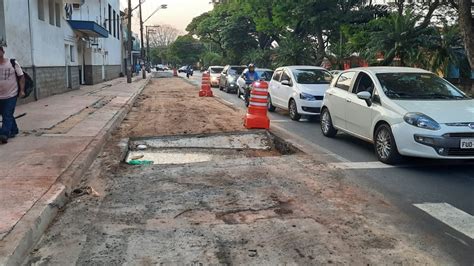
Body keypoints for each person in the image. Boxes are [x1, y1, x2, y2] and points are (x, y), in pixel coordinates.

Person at [0, 46, 25, 144]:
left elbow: (21, 77)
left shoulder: (12, 63)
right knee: (7, 114)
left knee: (7, 114)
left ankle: (4, 134)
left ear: (3, 51)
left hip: (11, 94)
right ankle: (14, 129)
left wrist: (21, 90)